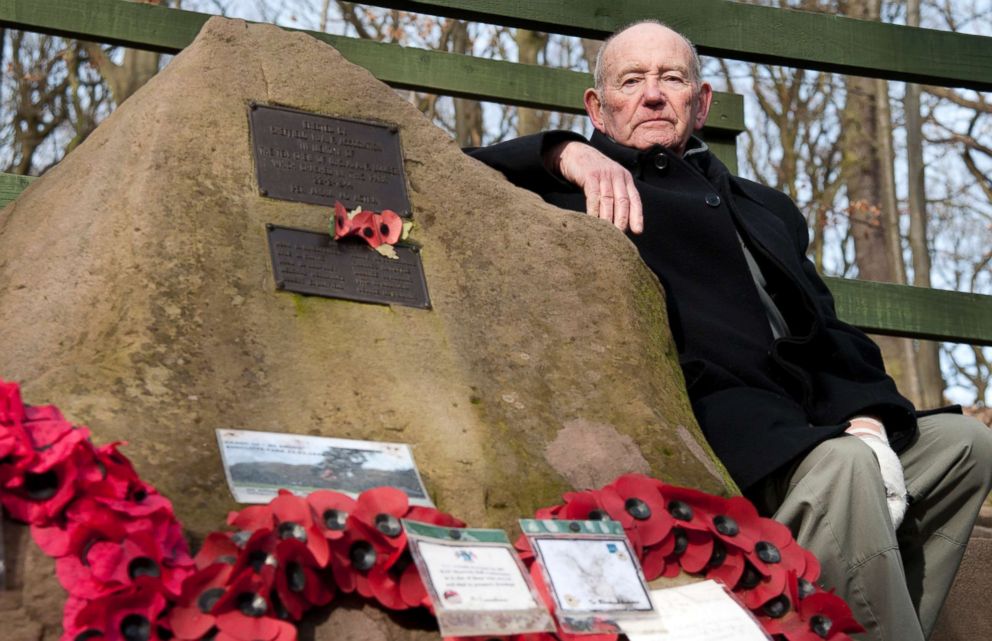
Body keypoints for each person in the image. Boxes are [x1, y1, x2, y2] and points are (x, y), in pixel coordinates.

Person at [468, 21, 992, 641]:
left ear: (703, 100)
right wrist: (562, 152)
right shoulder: (580, 190)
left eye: (672, 78)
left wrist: (872, 417)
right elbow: (452, 175)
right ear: (598, 106)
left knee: (965, 444)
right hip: (726, 430)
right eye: (631, 80)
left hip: (817, 419)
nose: (654, 94)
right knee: (848, 468)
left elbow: (829, 331)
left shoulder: (765, 207)